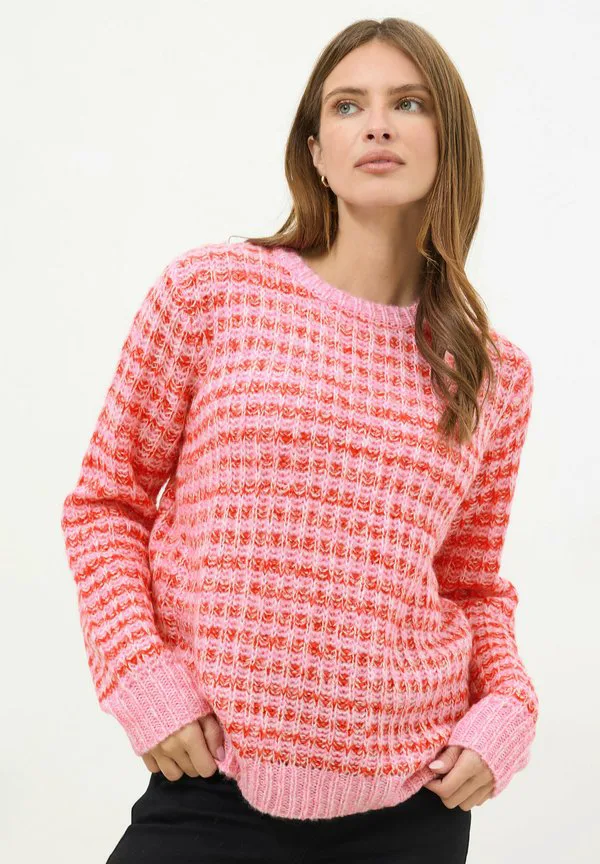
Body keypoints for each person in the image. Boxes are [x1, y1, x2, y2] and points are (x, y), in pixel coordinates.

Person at [61, 17, 538, 864]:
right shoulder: (213, 293)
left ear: (449, 144)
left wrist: (506, 708)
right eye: (349, 105)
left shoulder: (491, 372)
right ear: (316, 152)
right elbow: (107, 504)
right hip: (211, 788)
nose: (378, 124)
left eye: (409, 103)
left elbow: (469, 585)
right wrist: (140, 673)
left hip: (412, 807)